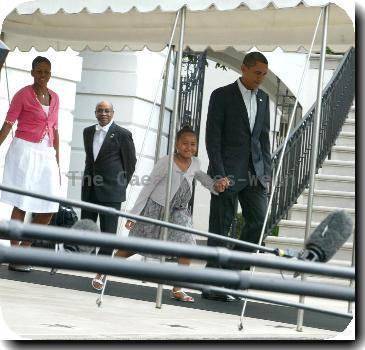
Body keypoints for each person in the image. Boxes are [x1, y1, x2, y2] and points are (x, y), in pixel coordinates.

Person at [91, 126, 227, 302]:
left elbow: (202, 178)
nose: (189, 147)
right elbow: (148, 188)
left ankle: (178, 288)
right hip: (155, 209)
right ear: (177, 144)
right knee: (133, 247)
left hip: (179, 211)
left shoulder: (196, 163)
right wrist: (134, 215)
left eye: (193, 144)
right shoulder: (166, 162)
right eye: (184, 143)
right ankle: (102, 273)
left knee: (188, 245)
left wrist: (215, 185)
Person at [203, 51, 271, 301]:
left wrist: (267, 174)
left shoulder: (264, 100)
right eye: (257, 73)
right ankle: (212, 284)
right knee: (220, 227)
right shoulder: (221, 95)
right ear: (244, 69)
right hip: (226, 174)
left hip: (255, 174)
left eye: (264, 74)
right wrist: (218, 174)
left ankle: (231, 274)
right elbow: (213, 138)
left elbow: (264, 140)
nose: (260, 79)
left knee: (259, 222)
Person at [0, 56, 61, 272]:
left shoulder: (55, 97)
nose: (43, 75)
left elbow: (54, 130)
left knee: (50, 205)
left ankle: (26, 248)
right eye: (39, 71)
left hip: (46, 153)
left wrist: (57, 160)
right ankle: (15, 253)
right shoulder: (22, 95)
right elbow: (8, 124)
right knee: (22, 202)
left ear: (50, 74)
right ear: (32, 72)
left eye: (47, 72)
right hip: (24, 150)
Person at [81, 101, 136, 260]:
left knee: (108, 232)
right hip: (90, 188)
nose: (103, 114)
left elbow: (130, 164)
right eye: (100, 111)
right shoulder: (87, 132)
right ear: (95, 113)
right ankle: (85, 260)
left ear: (113, 113)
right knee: (86, 228)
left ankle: (102, 264)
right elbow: (90, 161)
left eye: (107, 111)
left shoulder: (123, 134)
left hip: (112, 191)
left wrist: (120, 185)